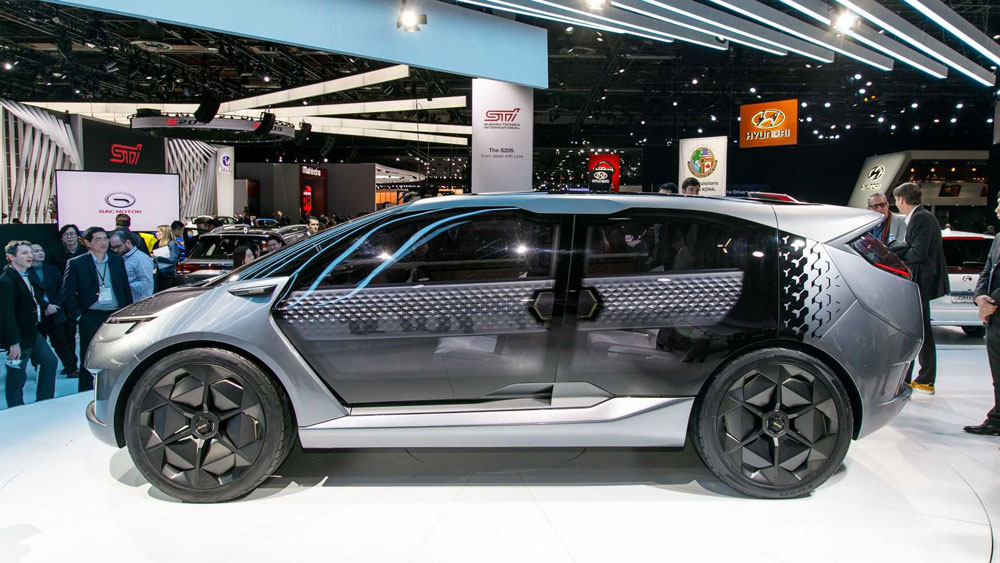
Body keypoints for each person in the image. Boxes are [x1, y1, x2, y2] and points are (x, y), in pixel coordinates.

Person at [892, 182, 949, 394]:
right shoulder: (921, 217)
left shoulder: (921, 218)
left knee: (920, 332)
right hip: (921, 282)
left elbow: (918, 252)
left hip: (922, 283)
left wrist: (896, 253)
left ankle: (924, 379)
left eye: (896, 200)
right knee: (921, 331)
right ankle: (920, 379)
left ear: (902, 199)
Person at [62, 227, 133, 392]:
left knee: (118, 354)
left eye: (105, 239)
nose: (103, 243)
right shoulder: (77, 263)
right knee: (89, 355)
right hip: (91, 315)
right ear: (87, 243)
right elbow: (67, 293)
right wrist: (79, 316)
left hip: (116, 314)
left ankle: (115, 390)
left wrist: (128, 312)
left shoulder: (116, 260)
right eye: (98, 239)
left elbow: (125, 288)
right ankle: (85, 391)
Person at [1, 241, 58, 406]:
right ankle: (16, 408)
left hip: (32, 331)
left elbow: (34, 298)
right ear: (11, 257)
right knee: (16, 374)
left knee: (50, 361)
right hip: (18, 336)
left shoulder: (27, 275)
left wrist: (45, 306)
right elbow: (6, 315)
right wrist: (13, 343)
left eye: (30, 252)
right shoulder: (6, 281)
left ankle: (44, 402)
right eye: (24, 253)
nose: (30, 256)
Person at [969, 196, 1000, 436]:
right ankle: (997, 418)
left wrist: (992, 302)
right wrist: (980, 298)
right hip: (995, 319)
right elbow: (987, 270)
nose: (997, 209)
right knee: (997, 372)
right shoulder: (998, 239)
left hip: (995, 309)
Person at [28, 244, 77, 379]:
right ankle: (39, 368)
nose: (40, 253)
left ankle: (71, 368)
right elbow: (30, 293)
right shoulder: (26, 272)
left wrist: (54, 304)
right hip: (37, 313)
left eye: (41, 250)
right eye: (36, 251)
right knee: (38, 343)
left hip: (55, 311)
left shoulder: (52, 269)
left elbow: (62, 288)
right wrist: (45, 306)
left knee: (61, 342)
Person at [110, 229, 155, 301]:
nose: (115, 250)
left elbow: (146, 284)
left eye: (118, 246)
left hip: (139, 302)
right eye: (113, 248)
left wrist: (124, 286)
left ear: (128, 242)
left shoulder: (140, 258)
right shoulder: (122, 258)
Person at [152, 225, 180, 291]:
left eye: (158, 232)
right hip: (159, 273)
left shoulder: (172, 244)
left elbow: (173, 260)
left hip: (168, 274)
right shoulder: (158, 243)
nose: (156, 234)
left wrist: (157, 258)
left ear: (165, 233)